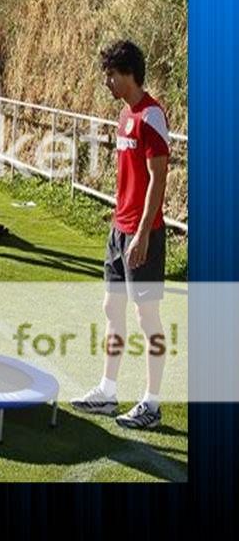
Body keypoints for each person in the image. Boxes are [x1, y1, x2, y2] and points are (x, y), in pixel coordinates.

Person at [71, 40, 170, 430]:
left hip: (142, 233)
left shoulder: (151, 116)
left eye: (111, 74)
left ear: (129, 73)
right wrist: (121, 227)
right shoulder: (125, 115)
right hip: (119, 229)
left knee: (148, 318)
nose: (106, 81)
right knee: (111, 309)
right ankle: (107, 391)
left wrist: (143, 233)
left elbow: (158, 179)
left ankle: (153, 403)